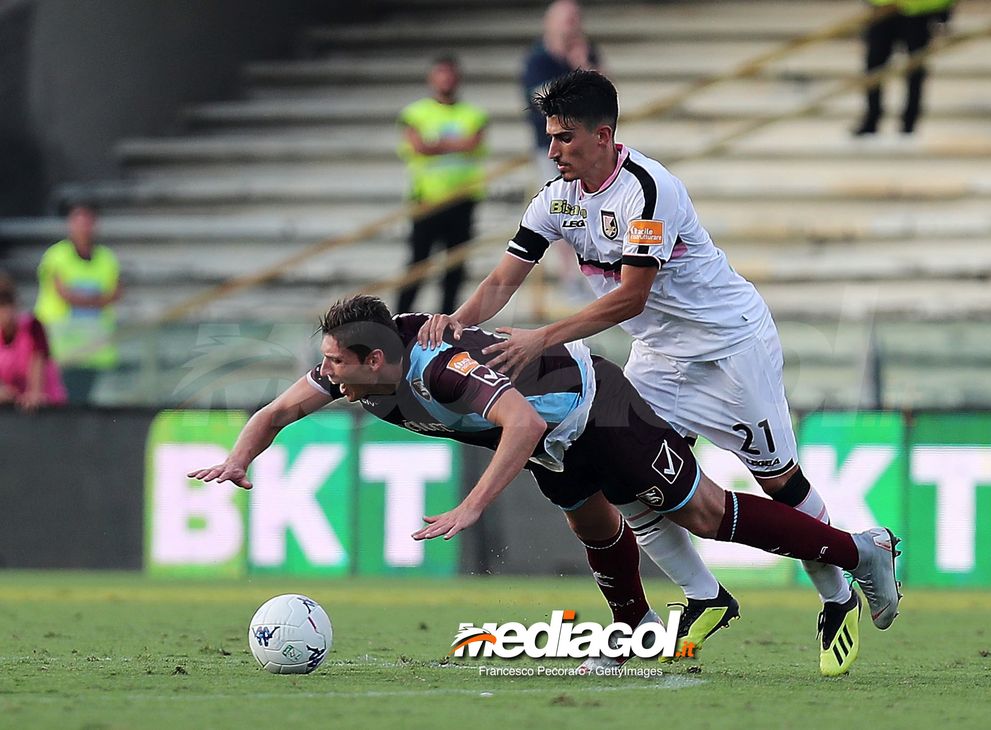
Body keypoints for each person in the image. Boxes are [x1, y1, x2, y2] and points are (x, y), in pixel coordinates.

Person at [418, 70, 887, 676]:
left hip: (729, 346)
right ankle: (703, 595)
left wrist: (542, 338)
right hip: (660, 356)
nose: (553, 149)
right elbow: (502, 281)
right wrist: (453, 326)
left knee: (779, 482)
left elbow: (630, 297)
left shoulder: (646, 188)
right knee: (624, 472)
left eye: (563, 138)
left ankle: (843, 589)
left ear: (603, 135)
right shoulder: (553, 199)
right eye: (550, 137)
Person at [189, 296, 901, 672]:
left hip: (597, 409)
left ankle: (858, 552)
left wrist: (472, 506)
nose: (326, 373)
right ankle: (638, 633)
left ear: (375, 357)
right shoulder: (358, 368)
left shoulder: (435, 370)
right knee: (590, 523)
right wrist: (240, 457)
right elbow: (278, 410)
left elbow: (521, 424)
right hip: (553, 437)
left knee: (706, 516)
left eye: (336, 363)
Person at [522, 0, 603, 301]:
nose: (573, 24)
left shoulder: (585, 50)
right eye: (566, 18)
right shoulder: (539, 59)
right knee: (563, 211)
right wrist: (580, 73)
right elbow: (541, 99)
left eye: (576, 17)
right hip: (554, 147)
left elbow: (606, 91)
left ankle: (593, 271)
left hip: (590, 146)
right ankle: (571, 275)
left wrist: (584, 63)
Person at [396, 55, 488, 316]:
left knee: (455, 268)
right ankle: (399, 319)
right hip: (427, 199)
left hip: (463, 199)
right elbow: (418, 147)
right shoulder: (415, 112)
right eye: (441, 73)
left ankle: (448, 322)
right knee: (418, 264)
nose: (446, 79)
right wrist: (455, 144)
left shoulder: (474, 113)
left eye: (450, 74)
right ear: (431, 78)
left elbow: (472, 144)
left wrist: (435, 144)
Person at [33, 203, 121, 404]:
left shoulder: (107, 258)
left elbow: (116, 291)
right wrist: (98, 300)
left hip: (92, 347)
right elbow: (63, 293)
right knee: (60, 398)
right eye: (78, 222)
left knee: (85, 401)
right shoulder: (56, 256)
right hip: (58, 346)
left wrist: (88, 300)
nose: (83, 228)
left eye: (87, 222)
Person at [853, 0, 956, 136]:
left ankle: (909, 123)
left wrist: (942, 14)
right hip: (883, 9)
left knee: (915, 70)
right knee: (874, 67)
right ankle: (872, 119)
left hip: (918, 12)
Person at [0, 271, 67, 411]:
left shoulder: (32, 327)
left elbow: (37, 361)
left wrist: (34, 392)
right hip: (14, 407)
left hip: (47, 406)